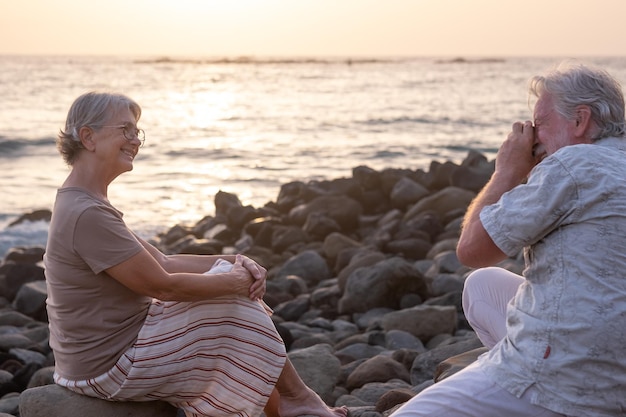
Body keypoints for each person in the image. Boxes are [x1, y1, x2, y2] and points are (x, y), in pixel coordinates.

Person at [43, 91, 349, 417]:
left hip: (106, 352)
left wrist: (236, 262)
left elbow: (164, 261)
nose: (136, 141)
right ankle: (297, 399)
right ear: (88, 137)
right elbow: (163, 286)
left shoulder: (85, 201)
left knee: (226, 292)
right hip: (107, 365)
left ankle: (287, 406)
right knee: (231, 301)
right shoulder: (86, 212)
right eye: (126, 130)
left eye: (138, 132)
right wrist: (234, 284)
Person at [390, 62, 626, 417]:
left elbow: (473, 249)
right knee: (483, 286)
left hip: (569, 380)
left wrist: (507, 170)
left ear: (580, 120)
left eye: (540, 124)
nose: (532, 136)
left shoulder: (574, 164)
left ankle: (524, 393)